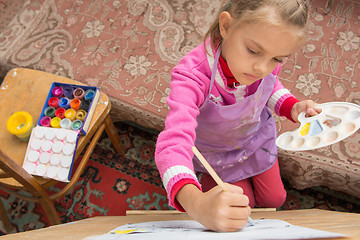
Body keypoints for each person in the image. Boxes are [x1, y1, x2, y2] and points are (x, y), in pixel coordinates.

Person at [155, 0, 320, 232]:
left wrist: (291, 105)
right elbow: (172, 144)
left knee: (275, 199)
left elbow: (270, 85)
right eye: (253, 51)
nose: (262, 68)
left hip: (254, 141)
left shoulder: (264, 59)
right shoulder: (191, 76)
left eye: (277, 59)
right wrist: (197, 203)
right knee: (242, 207)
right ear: (226, 26)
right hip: (216, 154)